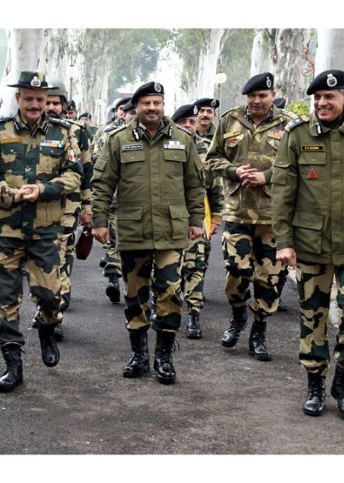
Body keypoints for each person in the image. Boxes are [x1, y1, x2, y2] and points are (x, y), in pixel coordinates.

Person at [270, 69, 344, 421]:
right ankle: (314, 383)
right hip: (310, 243)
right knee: (313, 315)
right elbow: (282, 192)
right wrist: (283, 241)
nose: (322, 103)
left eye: (330, 97)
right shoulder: (297, 135)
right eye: (318, 98)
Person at [0, 70, 82, 393]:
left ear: (47, 101)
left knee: (50, 296)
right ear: (18, 98)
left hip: (46, 231)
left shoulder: (62, 135)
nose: (35, 104)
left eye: (41, 99)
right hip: (8, 231)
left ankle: (48, 329)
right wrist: (7, 191)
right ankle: (12, 364)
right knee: (6, 299)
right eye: (29, 98)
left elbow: (75, 175)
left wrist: (44, 189)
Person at [92, 81, 205, 385]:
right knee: (135, 295)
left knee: (170, 291)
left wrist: (197, 219)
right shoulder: (118, 140)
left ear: (163, 105)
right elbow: (102, 184)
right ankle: (139, 355)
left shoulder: (183, 139)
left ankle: (164, 357)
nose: (152, 108)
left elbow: (195, 183)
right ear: (137, 107)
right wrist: (99, 221)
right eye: (146, 104)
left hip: (171, 230)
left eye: (157, 103)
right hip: (133, 229)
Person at [207, 72, 296, 361]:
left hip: (274, 216)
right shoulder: (229, 120)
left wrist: (267, 176)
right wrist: (234, 171)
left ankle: (259, 331)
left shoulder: (290, 124)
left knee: (268, 279)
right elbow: (212, 159)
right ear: (246, 97)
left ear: (272, 96)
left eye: (263, 96)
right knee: (236, 270)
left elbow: (299, 165)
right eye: (252, 96)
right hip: (237, 212)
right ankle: (237, 316)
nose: (257, 101)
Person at [37, 80, 93, 341]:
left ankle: (54, 316)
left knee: (57, 259)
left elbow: (87, 172)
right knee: (42, 264)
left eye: (55, 103)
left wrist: (88, 207)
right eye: (47, 102)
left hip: (67, 208)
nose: (50, 107)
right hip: (35, 208)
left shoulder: (78, 133)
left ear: (64, 106)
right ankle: (49, 308)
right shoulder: (31, 130)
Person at [171, 103, 223, 339]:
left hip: (197, 217)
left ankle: (193, 314)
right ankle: (163, 311)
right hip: (167, 218)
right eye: (185, 123)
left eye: (193, 123)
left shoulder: (205, 149)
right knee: (167, 267)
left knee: (196, 266)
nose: (190, 127)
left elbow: (215, 187)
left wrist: (217, 216)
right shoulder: (164, 146)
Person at [92, 95, 132, 304]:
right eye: (124, 110)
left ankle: (125, 282)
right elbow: (97, 161)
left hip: (134, 201)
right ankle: (114, 279)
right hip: (113, 198)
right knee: (113, 241)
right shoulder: (107, 133)